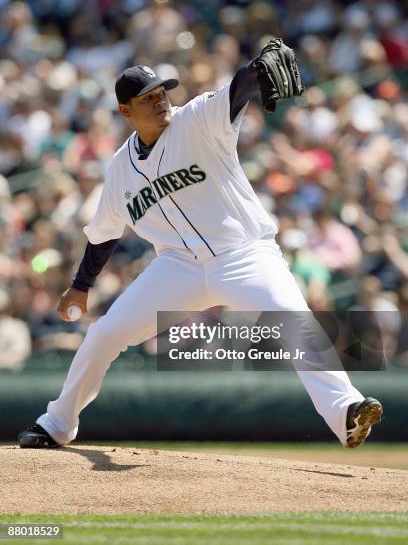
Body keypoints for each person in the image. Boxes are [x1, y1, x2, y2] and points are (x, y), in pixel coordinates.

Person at [18, 57, 382, 449]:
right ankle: (56, 423)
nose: (160, 101)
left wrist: (255, 71)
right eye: (147, 98)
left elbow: (235, 92)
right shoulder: (120, 168)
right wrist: (80, 286)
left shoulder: (195, 119)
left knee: (294, 320)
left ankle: (345, 410)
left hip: (244, 254)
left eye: (161, 93)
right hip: (178, 267)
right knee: (104, 334)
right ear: (125, 111)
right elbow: (104, 233)